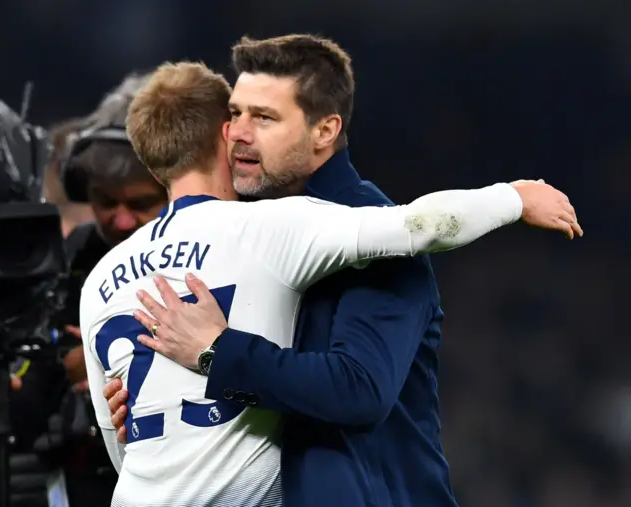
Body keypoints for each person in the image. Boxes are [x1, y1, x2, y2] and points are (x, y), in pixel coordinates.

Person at [87, 57, 580, 507]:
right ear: (224, 134)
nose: (244, 132)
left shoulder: (100, 280)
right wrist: (513, 198)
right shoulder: (271, 229)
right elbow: (417, 226)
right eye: (238, 118)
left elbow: (120, 442)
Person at [0, 72, 168, 507]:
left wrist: (96, 375)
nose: (122, 220)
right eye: (106, 202)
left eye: (141, 204)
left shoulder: (215, 259)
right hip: (81, 480)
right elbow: (32, 398)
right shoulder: (76, 256)